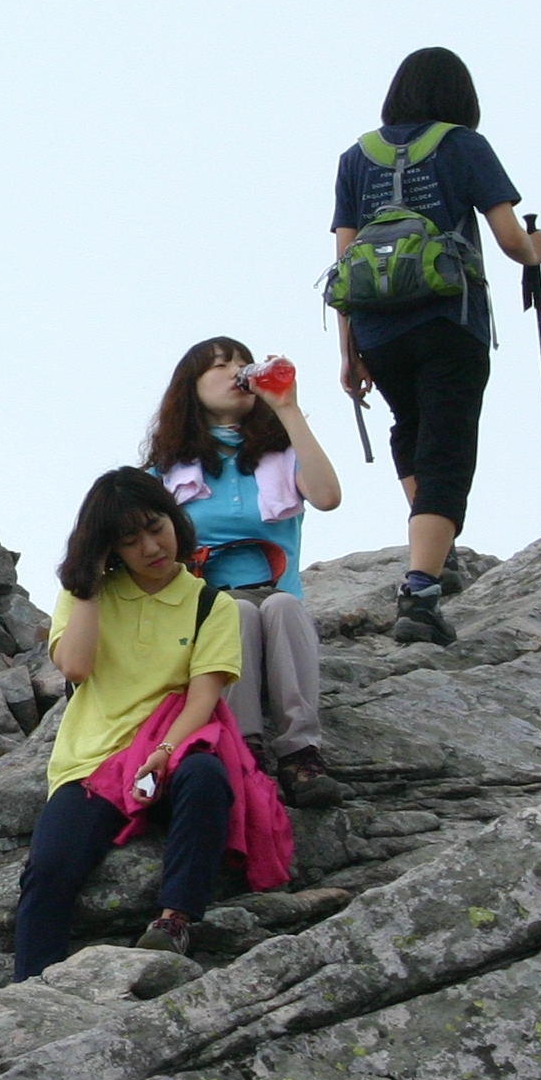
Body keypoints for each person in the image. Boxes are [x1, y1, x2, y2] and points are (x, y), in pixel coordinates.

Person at [14, 469, 290, 980]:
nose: (150, 547)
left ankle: (174, 919)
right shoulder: (84, 595)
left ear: (174, 518)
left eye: (155, 526)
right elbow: (74, 668)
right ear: (108, 548)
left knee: (206, 778)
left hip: (171, 750)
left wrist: (164, 751)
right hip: (92, 762)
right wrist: (90, 584)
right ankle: (29, 989)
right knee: (48, 870)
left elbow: (202, 699)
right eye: (128, 539)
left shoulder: (213, 604)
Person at [331, 47, 541, 647]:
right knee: (449, 448)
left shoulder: (357, 157)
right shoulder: (462, 145)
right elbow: (510, 240)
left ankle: (434, 547)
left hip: (377, 325)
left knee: (411, 426)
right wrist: (540, 251)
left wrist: (349, 353)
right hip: (449, 319)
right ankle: (421, 590)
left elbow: (345, 262)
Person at [149, 340, 351, 808]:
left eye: (243, 364)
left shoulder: (278, 454)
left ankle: (302, 753)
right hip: (206, 604)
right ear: (191, 388)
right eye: (221, 367)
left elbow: (327, 496)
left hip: (279, 593)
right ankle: (246, 748)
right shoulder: (169, 469)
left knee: (282, 606)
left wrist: (288, 409)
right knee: (234, 609)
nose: (238, 373)